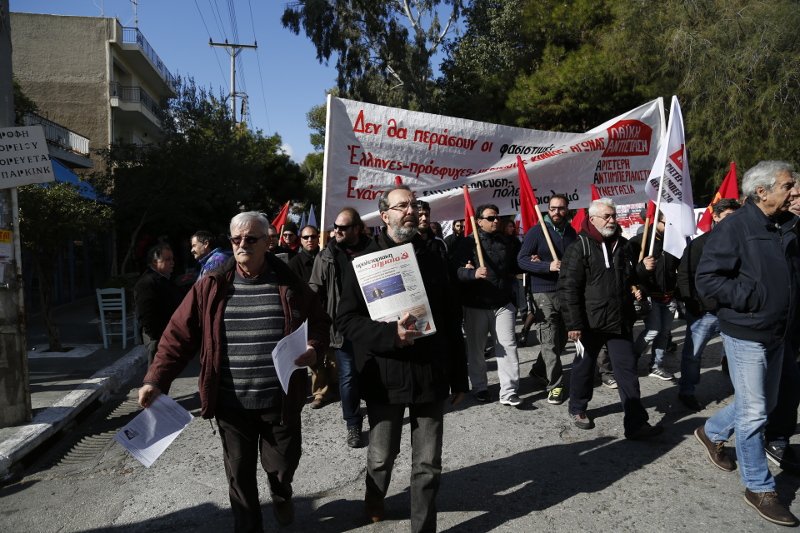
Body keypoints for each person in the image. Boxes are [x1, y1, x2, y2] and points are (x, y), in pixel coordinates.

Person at [137, 211, 330, 531]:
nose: (242, 245)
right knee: (239, 480)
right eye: (236, 239)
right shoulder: (210, 286)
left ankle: (281, 492)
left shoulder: (290, 283)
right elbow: (177, 336)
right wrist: (156, 379)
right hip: (231, 403)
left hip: (279, 400)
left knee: (282, 465)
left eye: (250, 239)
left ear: (268, 242)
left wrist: (314, 348)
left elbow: (320, 322)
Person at [336, 185, 468, 532]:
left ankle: (422, 527)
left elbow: (453, 319)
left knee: (428, 464)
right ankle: (374, 496)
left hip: (431, 374)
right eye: (401, 206)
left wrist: (459, 375)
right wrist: (388, 336)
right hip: (385, 376)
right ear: (385, 216)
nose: (411, 211)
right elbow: (346, 319)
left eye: (414, 205)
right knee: (381, 456)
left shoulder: (435, 257)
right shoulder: (364, 263)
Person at [694, 161, 799, 527]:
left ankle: (711, 432)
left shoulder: (784, 225)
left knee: (763, 404)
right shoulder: (737, 227)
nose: (794, 191)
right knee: (755, 412)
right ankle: (759, 487)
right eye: (788, 185)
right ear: (762, 192)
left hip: (778, 333)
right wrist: (754, 297)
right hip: (746, 333)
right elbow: (707, 281)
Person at [557, 198, 662, 439]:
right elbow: (568, 288)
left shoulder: (624, 246)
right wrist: (573, 324)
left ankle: (636, 423)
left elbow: (627, 279)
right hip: (589, 323)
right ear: (592, 219)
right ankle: (578, 408)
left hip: (619, 320)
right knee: (584, 367)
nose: (612, 220)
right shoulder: (579, 247)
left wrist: (641, 272)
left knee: (626, 371)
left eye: (613, 216)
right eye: (606, 216)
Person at [308, 207, 375, 446]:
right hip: (342, 327)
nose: (337, 231)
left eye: (343, 227)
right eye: (335, 226)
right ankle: (353, 424)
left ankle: (380, 419)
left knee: (373, 374)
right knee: (348, 376)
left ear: (357, 228)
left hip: (372, 324)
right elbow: (314, 289)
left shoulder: (374, 250)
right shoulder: (325, 256)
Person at [675, 198, 740, 410]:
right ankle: (687, 391)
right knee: (692, 355)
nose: (733, 221)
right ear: (715, 217)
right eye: (728, 216)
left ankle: (742, 393)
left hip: (732, 311)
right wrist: (693, 304)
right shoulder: (699, 244)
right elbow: (684, 275)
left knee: (738, 355)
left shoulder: (744, 243)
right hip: (704, 313)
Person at [456, 203, 522, 406]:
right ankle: (480, 387)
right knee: (476, 350)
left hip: (502, 304)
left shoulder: (507, 241)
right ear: (478, 221)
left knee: (508, 347)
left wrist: (531, 261)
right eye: (491, 218)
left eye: (497, 217)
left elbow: (516, 265)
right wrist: (472, 273)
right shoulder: (466, 244)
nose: (496, 221)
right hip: (476, 305)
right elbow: (455, 272)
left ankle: (509, 391)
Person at [517, 194, 577, 405]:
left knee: (560, 340)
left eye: (561, 208)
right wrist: (546, 266)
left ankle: (538, 370)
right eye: (553, 208)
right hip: (543, 291)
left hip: (565, 291)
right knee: (549, 338)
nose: (556, 212)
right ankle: (555, 385)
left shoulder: (571, 232)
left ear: (567, 209)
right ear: (547, 209)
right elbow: (522, 260)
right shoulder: (537, 230)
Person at [628, 212, 680, 381]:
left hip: (669, 296)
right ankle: (630, 360)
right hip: (651, 296)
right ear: (656, 220)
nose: (670, 227)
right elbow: (628, 272)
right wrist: (641, 269)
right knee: (653, 331)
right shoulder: (638, 243)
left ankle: (656, 365)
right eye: (667, 223)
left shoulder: (674, 241)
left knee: (664, 333)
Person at [134, 243, 182, 365]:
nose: (172, 263)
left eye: (172, 259)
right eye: (167, 259)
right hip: (157, 338)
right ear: (155, 262)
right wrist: (156, 337)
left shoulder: (164, 279)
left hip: (165, 335)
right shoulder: (147, 282)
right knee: (156, 376)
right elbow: (146, 314)